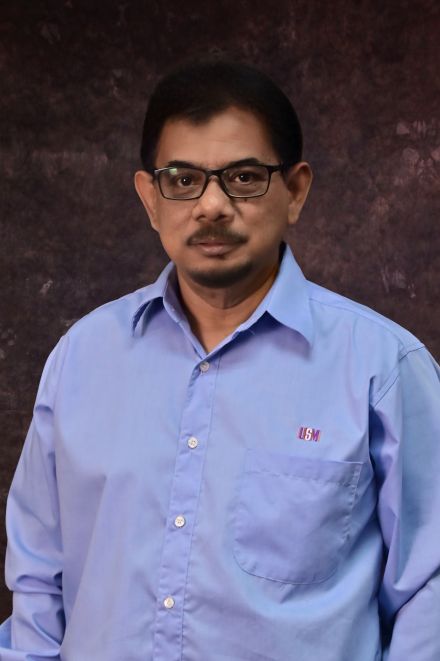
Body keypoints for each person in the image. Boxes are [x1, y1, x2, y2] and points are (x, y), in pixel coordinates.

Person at [0, 59, 439, 661]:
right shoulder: (83, 357)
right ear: (150, 198)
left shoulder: (382, 368)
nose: (210, 206)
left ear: (296, 191)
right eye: (182, 179)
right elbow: (37, 577)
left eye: (244, 177)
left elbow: (431, 585)